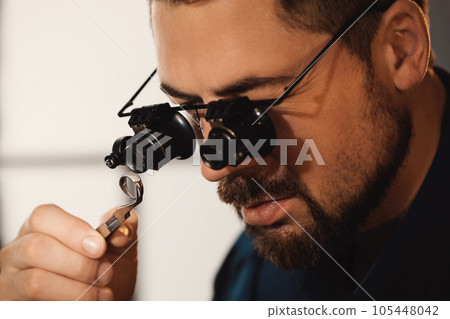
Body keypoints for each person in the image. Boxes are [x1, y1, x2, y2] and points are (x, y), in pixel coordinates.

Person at [0, 0, 448, 300]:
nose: (214, 169)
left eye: (250, 111)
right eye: (189, 111)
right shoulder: (253, 272)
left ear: (401, 49)